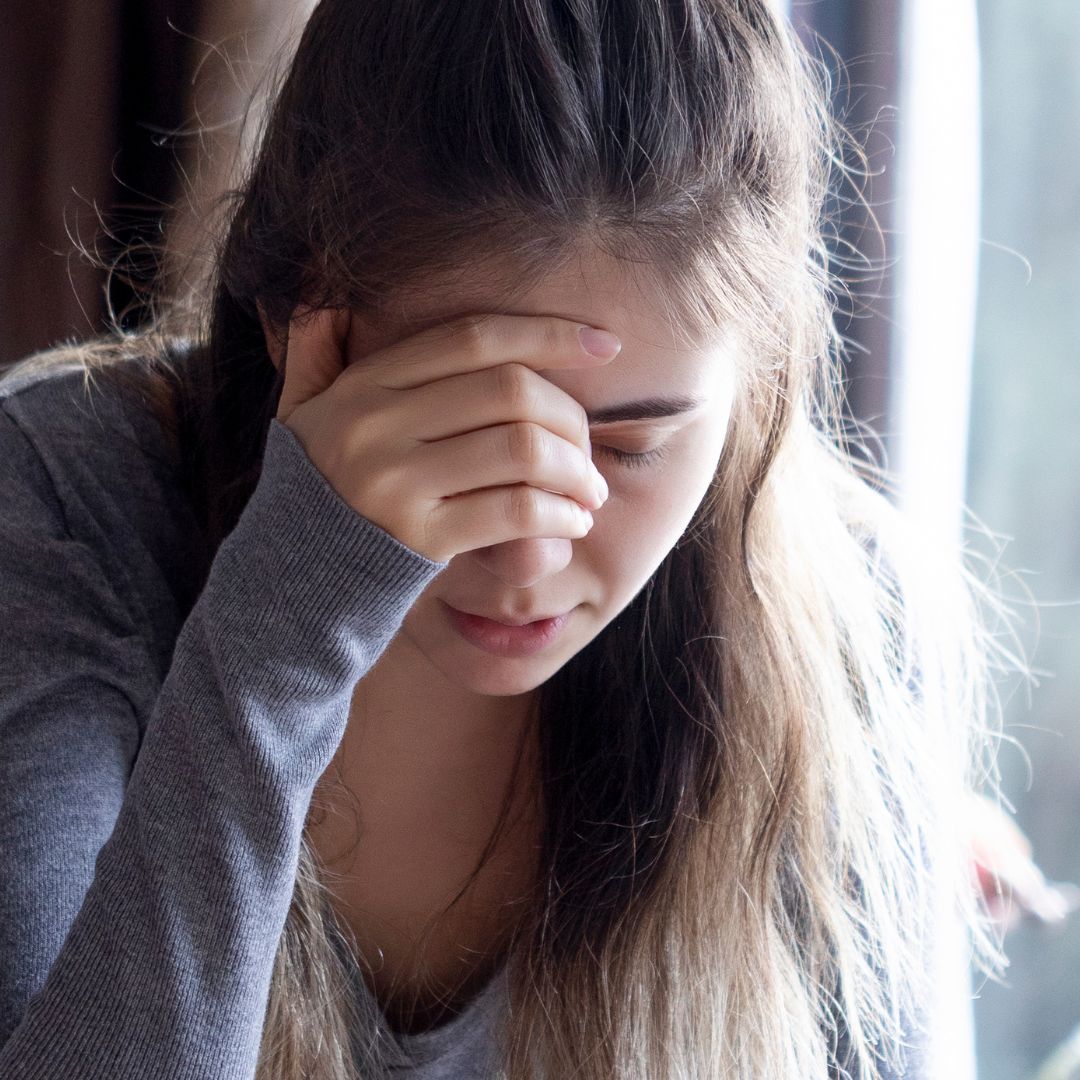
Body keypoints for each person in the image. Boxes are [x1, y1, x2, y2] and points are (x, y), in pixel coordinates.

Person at [0, 1, 1017, 1077]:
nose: (531, 558)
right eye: (458, 438)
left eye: (628, 449)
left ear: (757, 374)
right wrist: (285, 628)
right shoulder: (63, 510)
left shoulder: (852, 633)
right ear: (289, 320)